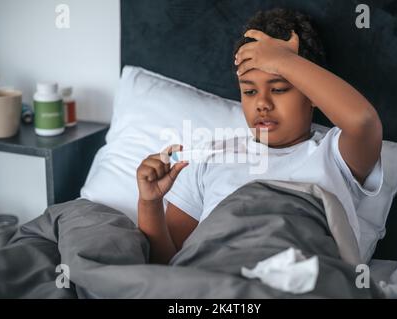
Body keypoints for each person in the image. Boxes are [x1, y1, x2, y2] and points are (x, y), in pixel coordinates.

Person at [136, 8, 383, 264]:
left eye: (278, 88)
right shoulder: (208, 157)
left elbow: (363, 122)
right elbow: (166, 264)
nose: (262, 103)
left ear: (312, 95)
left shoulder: (334, 154)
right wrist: (149, 203)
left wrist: (285, 62)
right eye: (250, 92)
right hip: (212, 277)